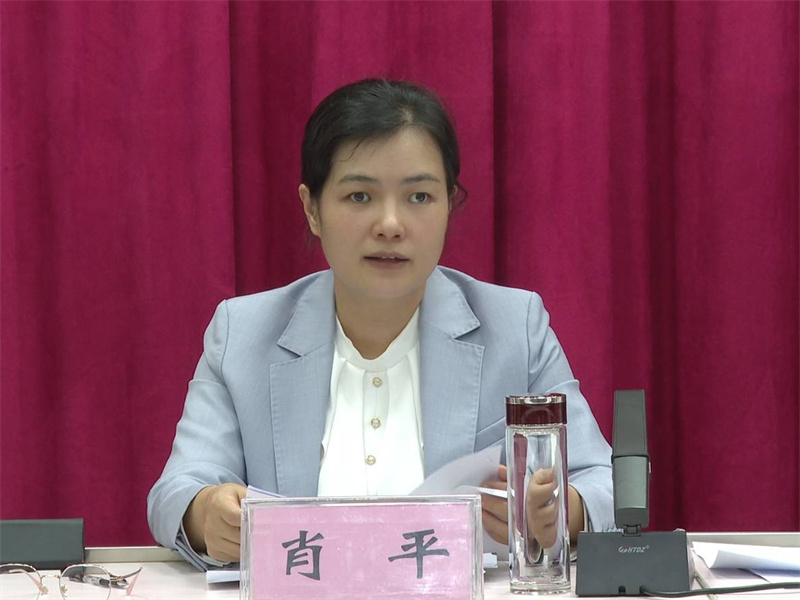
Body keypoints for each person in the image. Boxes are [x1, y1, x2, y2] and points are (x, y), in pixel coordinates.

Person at [147, 78, 615, 569]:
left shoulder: (515, 327)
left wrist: (557, 513)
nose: (390, 224)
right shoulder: (243, 333)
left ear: (449, 204)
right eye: (359, 197)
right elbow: (176, 490)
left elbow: (601, 483)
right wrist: (207, 515)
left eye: (419, 197)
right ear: (312, 209)